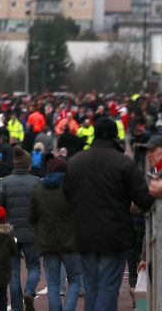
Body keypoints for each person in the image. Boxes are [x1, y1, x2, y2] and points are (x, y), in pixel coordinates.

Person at [64, 117, 153, 311]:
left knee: (92, 287)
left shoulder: (75, 162)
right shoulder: (124, 163)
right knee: (108, 287)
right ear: (115, 137)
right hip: (115, 235)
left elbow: (67, 196)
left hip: (84, 234)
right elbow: (144, 200)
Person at [29, 157, 81, 311]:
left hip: (47, 241)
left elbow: (32, 218)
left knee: (52, 282)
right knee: (75, 280)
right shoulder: (73, 189)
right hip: (71, 241)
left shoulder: (37, 189)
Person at [0, 148, 41, 311]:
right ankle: (29, 291)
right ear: (28, 164)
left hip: (10, 233)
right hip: (32, 231)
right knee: (34, 266)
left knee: (13, 270)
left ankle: (16, 306)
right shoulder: (36, 181)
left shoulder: (5, 182)